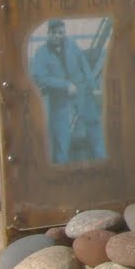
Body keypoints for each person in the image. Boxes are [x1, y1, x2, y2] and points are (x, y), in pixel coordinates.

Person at [29, 19, 105, 164]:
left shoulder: (71, 46)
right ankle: (62, 175)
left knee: (95, 129)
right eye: (56, 33)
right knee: (61, 140)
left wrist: (94, 87)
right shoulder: (41, 54)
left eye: (62, 33)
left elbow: (84, 66)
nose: (59, 36)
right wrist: (64, 85)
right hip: (59, 101)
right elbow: (40, 78)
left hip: (82, 94)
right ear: (49, 34)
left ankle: (102, 165)